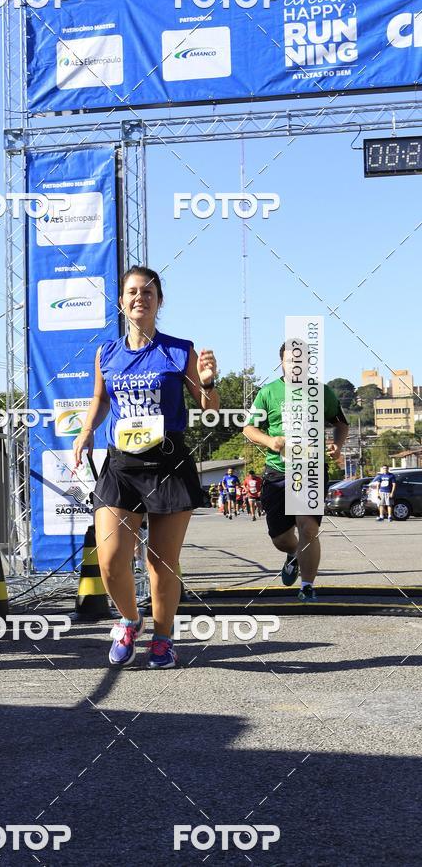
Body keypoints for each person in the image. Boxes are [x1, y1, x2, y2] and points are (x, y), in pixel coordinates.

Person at [73, 265, 219, 668]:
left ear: (159, 301)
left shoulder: (179, 350)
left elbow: (209, 409)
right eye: (133, 292)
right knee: (110, 558)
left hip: (168, 464)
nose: (141, 298)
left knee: (161, 560)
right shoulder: (108, 352)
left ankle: (164, 638)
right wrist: (86, 432)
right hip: (122, 465)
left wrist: (206, 382)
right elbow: (101, 400)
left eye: (149, 292)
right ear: (121, 301)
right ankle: (129, 620)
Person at [243, 341, 348, 603]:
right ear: (282, 362)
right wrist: (270, 441)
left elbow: (341, 424)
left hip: (311, 468)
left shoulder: (322, 392)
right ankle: (293, 555)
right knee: (280, 538)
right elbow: (248, 428)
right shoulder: (268, 393)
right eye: (291, 360)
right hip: (278, 471)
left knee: (307, 527)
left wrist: (338, 444)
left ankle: (308, 586)